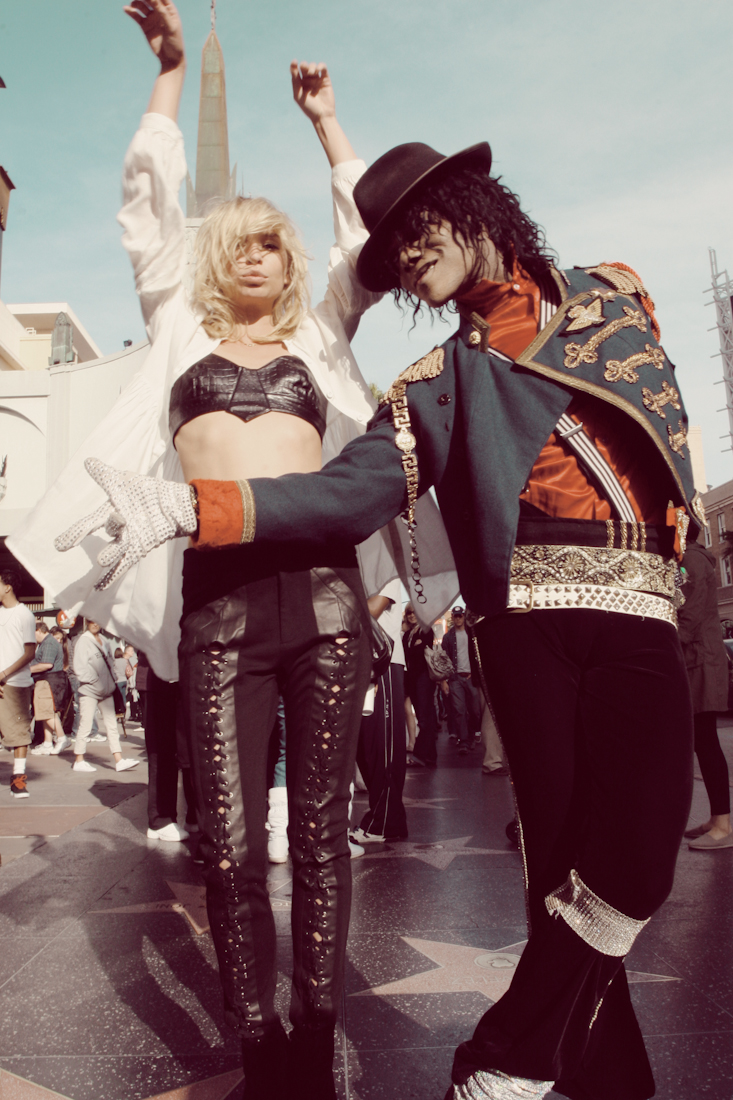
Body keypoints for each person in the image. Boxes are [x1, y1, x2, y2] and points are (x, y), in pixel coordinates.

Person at [75, 135, 707, 1098]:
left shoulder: (614, 293)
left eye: (418, 230)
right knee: (561, 872)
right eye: (391, 249)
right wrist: (194, 507)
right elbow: (344, 495)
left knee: (638, 854)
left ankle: (502, 1058)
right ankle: (607, 1081)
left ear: (476, 207)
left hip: (640, 609)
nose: (407, 257)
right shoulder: (429, 385)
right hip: (524, 630)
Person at [12, 3, 409, 1096]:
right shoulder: (176, 330)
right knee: (227, 845)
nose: (258, 257)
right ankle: (256, 1035)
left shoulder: (321, 333)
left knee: (318, 834)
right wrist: (171, 73)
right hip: (221, 607)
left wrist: (328, 124)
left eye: (272, 243)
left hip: (324, 602)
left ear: (289, 261)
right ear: (216, 262)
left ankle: (313, 1033)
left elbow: (367, 239)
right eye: (239, 244)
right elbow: (147, 209)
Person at [677, 534, 733, 850]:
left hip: (701, 661)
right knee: (702, 741)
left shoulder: (691, 559)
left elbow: (691, 614)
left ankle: (723, 826)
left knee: (706, 741)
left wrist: (664, 640)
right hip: (697, 660)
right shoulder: (685, 558)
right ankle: (717, 820)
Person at [351, 578, 408, 843]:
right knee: (366, 747)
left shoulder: (386, 569)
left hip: (383, 661)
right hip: (360, 661)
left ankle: (385, 823)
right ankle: (385, 819)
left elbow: (374, 608)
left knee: (382, 747)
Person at [72, 619, 139, 774]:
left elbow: (111, 664)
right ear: (87, 622)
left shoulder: (105, 641)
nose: (95, 623)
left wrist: (112, 680)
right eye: (91, 621)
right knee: (85, 725)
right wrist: (95, 681)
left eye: (97, 620)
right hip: (90, 690)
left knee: (112, 725)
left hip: (106, 690)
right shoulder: (83, 641)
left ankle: (119, 760)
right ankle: (79, 760)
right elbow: (79, 668)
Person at [0, 569, 36, 798]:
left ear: (8, 587)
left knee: (19, 732)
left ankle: (18, 779)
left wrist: (3, 674)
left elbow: (30, 652)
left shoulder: (25, 615)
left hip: (16, 683)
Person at [402, 605, 439, 767]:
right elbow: (406, 654)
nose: (411, 615)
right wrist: (414, 647)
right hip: (412, 680)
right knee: (424, 717)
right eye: (409, 613)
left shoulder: (426, 630)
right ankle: (430, 757)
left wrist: (415, 648)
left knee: (424, 718)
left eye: (414, 612)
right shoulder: (408, 635)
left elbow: (419, 651)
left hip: (424, 679)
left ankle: (420, 755)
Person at [441, 606, 481, 755]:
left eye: (460, 616)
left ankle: (471, 735)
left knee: (475, 710)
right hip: (455, 678)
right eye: (456, 616)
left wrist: (476, 673)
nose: (458, 618)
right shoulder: (448, 637)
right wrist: (444, 681)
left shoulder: (472, 633)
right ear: (452, 617)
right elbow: (443, 659)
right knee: (459, 710)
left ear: (464, 617)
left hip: (471, 677)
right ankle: (463, 741)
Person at [29, 622, 69, 755]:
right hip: (46, 681)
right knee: (45, 713)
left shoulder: (49, 643)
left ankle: (62, 738)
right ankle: (47, 743)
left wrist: (27, 670)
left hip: (48, 680)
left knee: (47, 712)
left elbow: (46, 664)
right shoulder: (46, 642)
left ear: (39, 630)